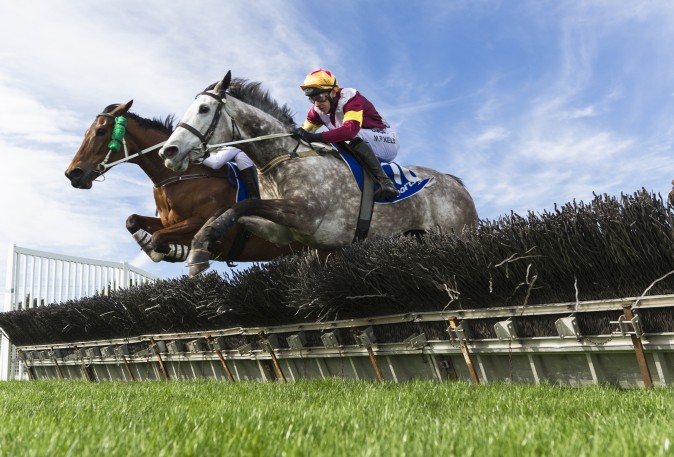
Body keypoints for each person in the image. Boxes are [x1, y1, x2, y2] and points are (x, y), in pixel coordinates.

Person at [293, 69, 399, 200]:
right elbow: (303, 132)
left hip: (385, 141)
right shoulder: (316, 111)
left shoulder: (350, 97)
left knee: (346, 135)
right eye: (312, 99)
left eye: (320, 97)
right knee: (333, 139)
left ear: (333, 92)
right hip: (362, 143)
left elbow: (350, 131)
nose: (317, 104)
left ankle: (386, 183)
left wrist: (315, 137)